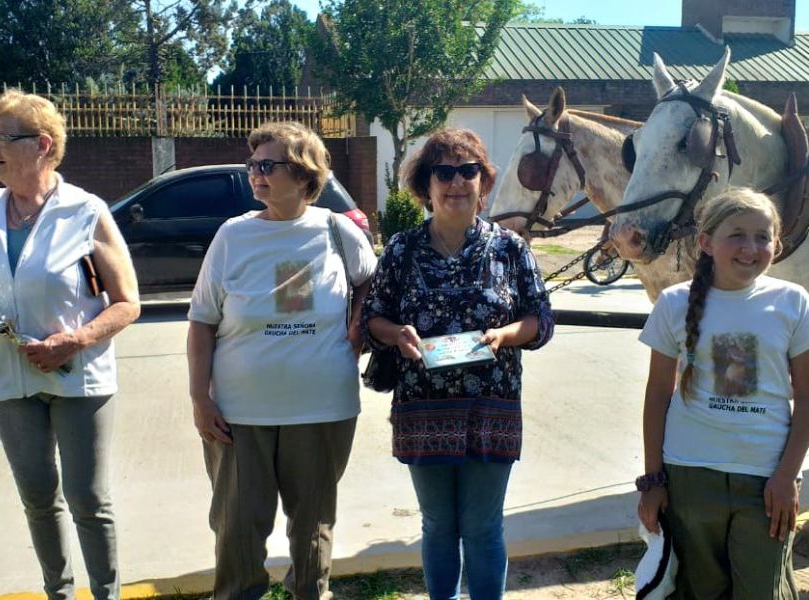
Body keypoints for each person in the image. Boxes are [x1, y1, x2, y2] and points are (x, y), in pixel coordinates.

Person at [0, 89, 140, 600]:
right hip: (9, 378)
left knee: (87, 499)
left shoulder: (85, 211)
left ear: (43, 144)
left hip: (78, 377)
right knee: (37, 498)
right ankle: (59, 593)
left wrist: (77, 339)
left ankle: (106, 595)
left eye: (4, 139)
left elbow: (127, 302)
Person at [187, 121, 376, 600]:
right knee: (236, 533)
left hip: (321, 408)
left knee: (312, 530)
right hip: (238, 414)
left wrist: (359, 323)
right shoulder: (232, 236)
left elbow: (371, 283)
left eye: (269, 165)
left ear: (304, 174)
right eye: (253, 165)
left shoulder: (337, 231)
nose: (257, 174)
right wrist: (198, 397)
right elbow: (202, 322)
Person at [362, 128, 555, 599]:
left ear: (483, 183)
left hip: (492, 407)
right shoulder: (402, 251)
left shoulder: (510, 249)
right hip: (422, 410)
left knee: (484, 527)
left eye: (467, 171)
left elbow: (541, 319)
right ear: (425, 186)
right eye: (442, 172)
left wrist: (508, 334)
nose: (455, 182)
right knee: (438, 525)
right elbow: (373, 318)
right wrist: (396, 333)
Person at [637, 188, 809, 599]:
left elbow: (806, 398)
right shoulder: (674, 303)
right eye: (737, 235)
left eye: (763, 237)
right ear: (705, 242)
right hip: (689, 477)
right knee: (700, 589)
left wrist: (787, 475)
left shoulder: (793, 302)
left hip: (766, 481)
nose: (751, 248)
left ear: (776, 244)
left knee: (761, 590)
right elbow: (658, 394)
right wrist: (653, 480)